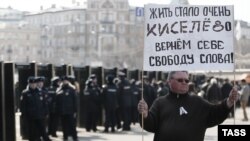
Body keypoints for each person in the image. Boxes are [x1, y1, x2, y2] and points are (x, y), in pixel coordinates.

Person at [138, 71, 239, 141]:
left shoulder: (197, 102)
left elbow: (215, 113)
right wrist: (145, 115)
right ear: (169, 81)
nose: (184, 83)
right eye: (180, 80)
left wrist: (229, 101)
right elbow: (150, 125)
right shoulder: (160, 102)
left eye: (186, 80)